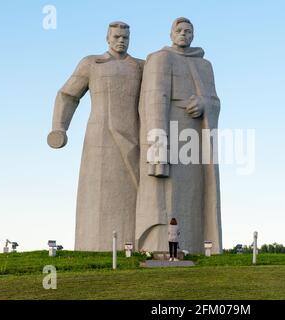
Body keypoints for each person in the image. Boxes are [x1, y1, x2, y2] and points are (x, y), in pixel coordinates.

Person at [47, 21, 144, 251]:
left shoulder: (141, 66)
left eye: (125, 37)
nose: (121, 40)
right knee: (97, 195)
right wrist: (59, 127)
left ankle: (134, 245)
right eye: (117, 36)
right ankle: (93, 246)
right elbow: (68, 95)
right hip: (99, 139)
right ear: (107, 38)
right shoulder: (92, 63)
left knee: (133, 192)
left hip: (134, 137)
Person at [135, 17, 222, 254]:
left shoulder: (204, 65)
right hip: (168, 128)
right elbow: (154, 99)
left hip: (195, 132)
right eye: (179, 30)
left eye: (188, 31)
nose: (184, 34)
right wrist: (157, 142)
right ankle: (158, 245)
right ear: (171, 33)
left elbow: (215, 100)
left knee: (194, 192)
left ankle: (194, 246)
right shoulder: (161, 58)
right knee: (166, 192)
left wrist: (205, 103)